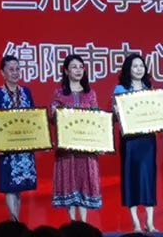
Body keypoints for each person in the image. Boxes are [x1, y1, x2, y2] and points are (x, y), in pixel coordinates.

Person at [49, 54, 101, 222]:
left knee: (84, 180)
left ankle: (83, 223)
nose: (78, 70)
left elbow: (97, 118)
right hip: (67, 148)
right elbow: (52, 118)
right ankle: (72, 222)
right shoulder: (59, 93)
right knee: (70, 182)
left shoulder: (90, 93)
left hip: (86, 147)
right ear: (66, 71)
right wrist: (55, 113)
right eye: (74, 67)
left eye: (80, 67)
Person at [112, 53, 158, 234]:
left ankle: (150, 222)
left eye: (141, 66)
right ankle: (136, 223)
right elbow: (116, 116)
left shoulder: (150, 89)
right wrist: (116, 111)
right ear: (128, 69)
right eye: (135, 66)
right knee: (130, 177)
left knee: (148, 177)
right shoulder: (120, 89)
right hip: (130, 140)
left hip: (147, 139)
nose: (139, 69)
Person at [0, 55, 38, 222]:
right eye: (11, 69)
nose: (15, 72)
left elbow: (34, 117)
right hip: (7, 147)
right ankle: (14, 220)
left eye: (17, 69)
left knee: (19, 187)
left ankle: (15, 219)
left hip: (24, 146)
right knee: (9, 186)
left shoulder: (26, 92)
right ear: (2, 73)